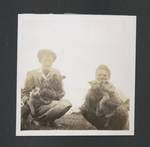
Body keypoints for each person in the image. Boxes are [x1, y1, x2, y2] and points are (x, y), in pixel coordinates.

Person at [21, 49, 72, 129]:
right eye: (45, 57)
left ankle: (46, 121)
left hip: (50, 103)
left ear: (53, 61)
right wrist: (30, 103)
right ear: (40, 59)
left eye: (50, 58)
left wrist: (53, 94)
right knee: (28, 107)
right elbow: (24, 93)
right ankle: (37, 119)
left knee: (67, 103)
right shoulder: (31, 73)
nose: (48, 59)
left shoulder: (57, 73)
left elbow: (61, 92)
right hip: (36, 105)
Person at [80, 64, 128, 130]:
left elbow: (124, 104)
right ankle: (100, 127)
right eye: (99, 75)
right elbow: (86, 105)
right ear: (95, 76)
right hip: (99, 116)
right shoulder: (92, 89)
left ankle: (116, 129)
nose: (101, 77)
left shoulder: (114, 88)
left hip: (113, 117)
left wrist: (111, 94)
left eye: (105, 75)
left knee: (121, 110)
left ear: (109, 77)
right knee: (84, 109)